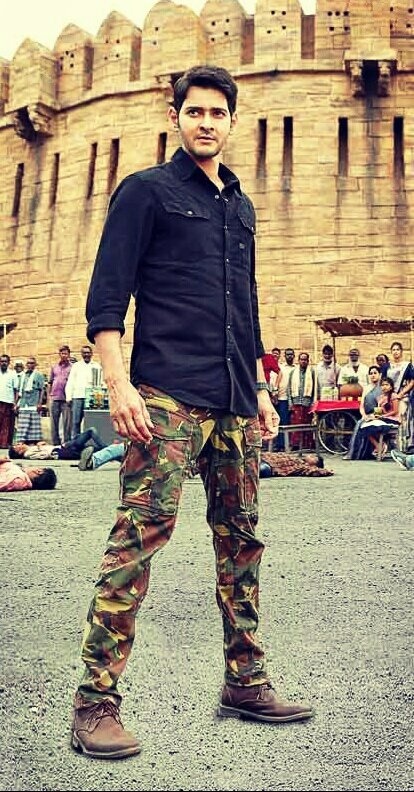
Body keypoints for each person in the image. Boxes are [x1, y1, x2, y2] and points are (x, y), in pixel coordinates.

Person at [71, 64, 313, 761]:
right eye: (195, 111)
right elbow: (107, 297)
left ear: (233, 121)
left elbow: (246, 303)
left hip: (234, 400)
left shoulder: (240, 206)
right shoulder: (146, 192)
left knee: (242, 544)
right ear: (175, 117)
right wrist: (119, 385)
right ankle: (94, 703)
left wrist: (259, 387)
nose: (207, 122)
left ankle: (246, 681)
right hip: (167, 396)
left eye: (218, 112)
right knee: (137, 542)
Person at [344, 365, 382, 460]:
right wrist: (364, 415)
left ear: (380, 375)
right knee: (360, 423)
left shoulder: (382, 388)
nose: (373, 375)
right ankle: (355, 453)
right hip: (367, 415)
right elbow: (361, 405)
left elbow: (381, 405)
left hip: (379, 415)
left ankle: (378, 447)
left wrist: (374, 416)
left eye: (375, 373)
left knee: (362, 424)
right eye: (371, 373)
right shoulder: (366, 388)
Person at [65, 345, 102, 438]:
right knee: (76, 421)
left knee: (90, 421)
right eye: (84, 353)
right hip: (78, 396)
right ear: (81, 354)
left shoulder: (96, 366)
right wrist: (68, 397)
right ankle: (75, 441)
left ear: (91, 354)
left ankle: (90, 440)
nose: (86, 354)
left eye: (88, 353)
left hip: (91, 397)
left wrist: (98, 399)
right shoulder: (76, 366)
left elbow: (101, 382)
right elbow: (71, 381)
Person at [359, 376, 401, 459]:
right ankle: (379, 446)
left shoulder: (394, 396)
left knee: (372, 426)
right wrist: (374, 416)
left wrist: (382, 416)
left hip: (393, 419)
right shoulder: (381, 397)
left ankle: (380, 446)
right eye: (382, 385)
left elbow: (395, 411)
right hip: (383, 418)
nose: (384, 387)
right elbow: (379, 411)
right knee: (364, 426)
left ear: (391, 387)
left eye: (386, 385)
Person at [9, 426, 107, 461]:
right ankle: (109, 450)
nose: (19, 444)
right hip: (64, 450)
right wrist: (40, 447)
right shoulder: (28, 454)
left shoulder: (30, 449)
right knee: (91, 431)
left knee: (93, 449)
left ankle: (111, 451)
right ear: (19, 451)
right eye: (17, 446)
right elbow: (45, 455)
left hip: (64, 448)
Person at [387, 341, 414, 452]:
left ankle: (404, 447)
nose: (396, 352)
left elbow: (412, 381)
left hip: (403, 396)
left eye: (398, 349)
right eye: (393, 350)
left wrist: (400, 394)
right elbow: (383, 382)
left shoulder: (407, 366)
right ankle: (391, 447)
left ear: (401, 351)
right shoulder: (387, 366)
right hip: (389, 397)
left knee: (402, 417)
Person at [287, 351, 315, 449]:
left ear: (308, 361)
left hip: (307, 402)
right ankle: (295, 445)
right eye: (302, 359)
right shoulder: (293, 372)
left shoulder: (312, 372)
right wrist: (290, 403)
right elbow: (289, 388)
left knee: (307, 424)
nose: (303, 361)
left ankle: (307, 445)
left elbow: (315, 388)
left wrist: (313, 403)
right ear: (298, 360)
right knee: (296, 424)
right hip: (296, 402)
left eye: (305, 360)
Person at [15, 357, 44, 444]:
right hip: (23, 403)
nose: (30, 365)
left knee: (34, 426)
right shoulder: (22, 375)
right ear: (26, 365)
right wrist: (16, 403)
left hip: (34, 403)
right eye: (28, 363)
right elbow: (19, 390)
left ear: (35, 365)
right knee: (23, 425)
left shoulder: (38, 375)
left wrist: (40, 403)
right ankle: (22, 442)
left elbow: (42, 389)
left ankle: (33, 442)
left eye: (32, 363)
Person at [48, 344, 72, 445]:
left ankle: (66, 442)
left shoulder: (72, 367)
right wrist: (49, 397)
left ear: (69, 355)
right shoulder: (54, 367)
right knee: (54, 422)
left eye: (66, 353)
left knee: (67, 422)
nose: (64, 355)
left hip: (66, 399)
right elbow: (50, 382)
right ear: (59, 354)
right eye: (62, 353)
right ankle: (56, 443)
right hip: (55, 397)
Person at [275, 348, 296, 450]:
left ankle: (292, 444)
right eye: (287, 354)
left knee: (293, 422)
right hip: (282, 398)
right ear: (285, 356)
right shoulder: (281, 368)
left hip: (294, 399)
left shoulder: (297, 368)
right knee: (282, 421)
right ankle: (281, 445)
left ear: (294, 356)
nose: (289, 356)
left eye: (291, 354)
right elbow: (277, 382)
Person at [260, 451, 333, 477]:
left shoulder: (304, 467)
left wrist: (327, 471)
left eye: (313, 458)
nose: (311, 455)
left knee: (263, 469)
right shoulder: (297, 459)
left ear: (314, 465)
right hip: (263, 457)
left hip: (269, 466)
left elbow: (317, 471)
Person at [0, 354, 19, 448]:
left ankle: (5, 444)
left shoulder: (12, 374)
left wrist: (15, 403)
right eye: (2, 361)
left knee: (7, 424)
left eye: (5, 361)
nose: (3, 363)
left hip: (8, 402)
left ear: (8, 363)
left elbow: (16, 390)